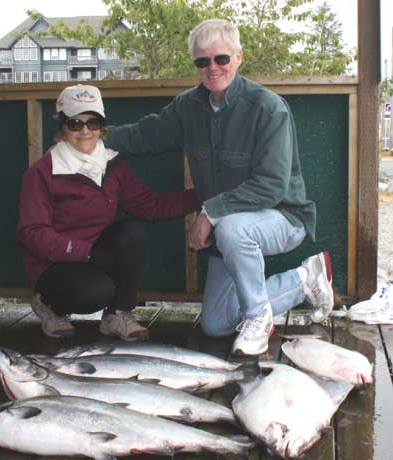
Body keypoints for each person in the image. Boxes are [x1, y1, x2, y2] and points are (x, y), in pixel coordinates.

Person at [104, 19, 334, 356]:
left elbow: (271, 186)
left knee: (231, 228)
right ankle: (303, 280)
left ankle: (258, 316)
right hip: (228, 229)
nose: (212, 68)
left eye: (221, 59)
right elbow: (145, 134)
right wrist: (94, 136)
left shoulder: (268, 108)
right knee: (215, 323)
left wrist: (210, 212)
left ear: (239, 57)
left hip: (283, 217)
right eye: (202, 61)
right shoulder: (188, 106)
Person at [17, 84, 199, 340]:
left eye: (92, 123)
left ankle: (117, 315)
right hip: (54, 264)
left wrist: (204, 195)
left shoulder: (112, 164)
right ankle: (47, 305)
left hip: (93, 256)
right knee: (95, 293)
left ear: (102, 127)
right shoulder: (41, 173)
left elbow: (150, 205)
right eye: (75, 123)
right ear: (62, 128)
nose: (84, 131)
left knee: (132, 232)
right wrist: (87, 254)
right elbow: (32, 234)